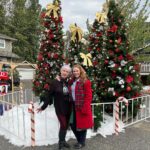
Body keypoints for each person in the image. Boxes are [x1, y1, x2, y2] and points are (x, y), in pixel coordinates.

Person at [37, 65, 72, 150]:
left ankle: (63, 141)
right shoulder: (55, 82)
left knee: (65, 125)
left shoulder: (69, 82)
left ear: (68, 73)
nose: (65, 73)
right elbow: (49, 96)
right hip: (60, 108)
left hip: (69, 108)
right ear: (60, 71)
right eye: (64, 70)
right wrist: (43, 107)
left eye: (67, 72)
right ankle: (60, 143)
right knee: (63, 125)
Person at [69, 64, 93, 149]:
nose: (75, 72)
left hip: (81, 106)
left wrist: (85, 107)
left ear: (80, 71)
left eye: (77, 71)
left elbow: (89, 96)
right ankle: (80, 141)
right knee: (72, 124)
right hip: (73, 106)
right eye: (74, 71)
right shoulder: (72, 81)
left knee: (82, 125)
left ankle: (81, 142)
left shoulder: (85, 81)